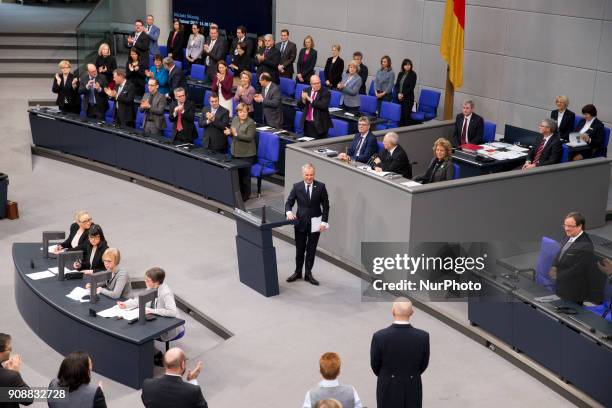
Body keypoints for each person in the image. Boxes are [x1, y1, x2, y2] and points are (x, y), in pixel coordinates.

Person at [371, 298, 430, 408]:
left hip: (388, 387)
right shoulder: (423, 337)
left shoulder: (379, 337)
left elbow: (375, 365)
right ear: (412, 313)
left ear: (392, 311)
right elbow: (423, 364)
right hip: (412, 386)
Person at [285, 163, 330, 286]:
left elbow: (326, 206)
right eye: (307, 175)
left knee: (311, 250)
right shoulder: (297, 187)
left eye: (311, 175)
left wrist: (324, 222)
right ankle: (298, 272)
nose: (309, 177)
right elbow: (289, 203)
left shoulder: (321, 187)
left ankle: (308, 274)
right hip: (300, 224)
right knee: (300, 250)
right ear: (302, 174)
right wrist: (289, 212)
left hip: (315, 224)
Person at [119, 267, 185, 342]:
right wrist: (126, 304)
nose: (145, 281)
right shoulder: (151, 287)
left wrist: (152, 311)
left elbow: (172, 312)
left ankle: (152, 352)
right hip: (156, 319)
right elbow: (140, 300)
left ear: (156, 282)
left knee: (141, 332)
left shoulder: (166, 293)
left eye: (147, 280)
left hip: (170, 329)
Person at [549, 212, 595, 304]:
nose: (566, 228)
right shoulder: (567, 236)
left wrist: (558, 276)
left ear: (580, 226)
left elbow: (578, 269)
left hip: (574, 291)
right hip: (561, 285)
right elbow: (560, 253)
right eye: (565, 225)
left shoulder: (586, 245)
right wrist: (554, 266)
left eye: (570, 226)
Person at [141, 347, 207, 408]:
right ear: (182, 364)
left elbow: (147, 403)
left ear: (164, 364)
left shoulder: (147, 385)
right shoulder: (193, 391)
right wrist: (193, 380)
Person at [225, 103, 256, 201]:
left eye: (244, 112)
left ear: (247, 112)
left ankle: (245, 196)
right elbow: (233, 132)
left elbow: (249, 137)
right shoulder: (235, 120)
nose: (242, 114)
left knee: (245, 177)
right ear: (237, 112)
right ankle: (237, 194)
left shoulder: (251, 123)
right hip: (235, 152)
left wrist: (236, 134)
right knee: (237, 176)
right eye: (240, 112)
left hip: (247, 154)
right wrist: (229, 132)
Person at [0, 333, 33, 408]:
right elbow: (28, 399)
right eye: (9, 348)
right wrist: (14, 373)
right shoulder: (12, 377)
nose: (11, 349)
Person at [298, 74, 333, 139]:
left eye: (318, 83)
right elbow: (300, 106)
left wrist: (309, 99)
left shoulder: (326, 92)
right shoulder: (306, 90)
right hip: (307, 123)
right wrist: (303, 99)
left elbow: (323, 105)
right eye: (315, 84)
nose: (317, 85)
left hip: (320, 124)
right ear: (310, 83)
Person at [395, 58, 417, 126]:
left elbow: (411, 88)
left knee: (406, 117)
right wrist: (398, 93)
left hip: (408, 99)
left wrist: (402, 95)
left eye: (409, 65)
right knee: (400, 117)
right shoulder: (400, 73)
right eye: (406, 65)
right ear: (403, 66)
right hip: (399, 98)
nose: (407, 66)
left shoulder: (413, 74)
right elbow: (396, 85)